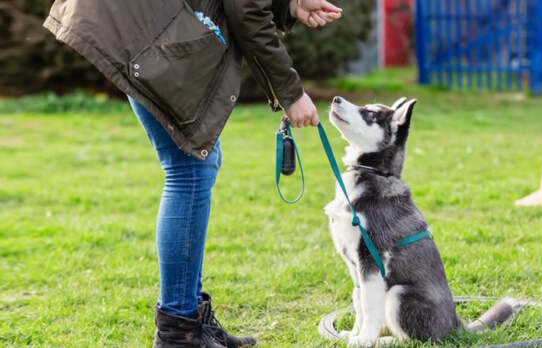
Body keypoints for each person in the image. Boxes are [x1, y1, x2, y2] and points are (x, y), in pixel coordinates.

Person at [43, 0, 342, 347]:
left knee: (196, 165)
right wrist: (290, 93)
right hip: (138, 21)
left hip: (141, 19)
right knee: (188, 170)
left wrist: (286, 6)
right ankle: (178, 330)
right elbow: (245, 9)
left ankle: (188, 321)